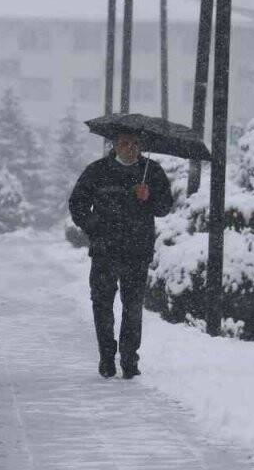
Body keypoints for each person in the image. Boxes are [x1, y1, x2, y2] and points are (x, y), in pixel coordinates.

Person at [67, 131, 174, 379]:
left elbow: (165, 207)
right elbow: (78, 203)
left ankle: (129, 359)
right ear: (114, 145)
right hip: (105, 250)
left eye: (136, 144)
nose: (131, 148)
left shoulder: (152, 171)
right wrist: (95, 226)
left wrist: (149, 198)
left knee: (133, 307)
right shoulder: (97, 171)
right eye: (125, 143)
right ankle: (106, 356)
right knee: (102, 305)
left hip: (138, 251)